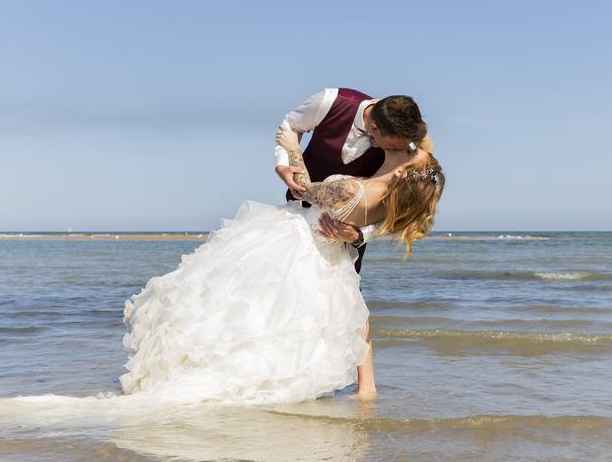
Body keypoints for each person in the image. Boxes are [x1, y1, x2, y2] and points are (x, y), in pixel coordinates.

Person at [120, 129, 444, 405]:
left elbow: (304, 189)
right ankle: (327, 387)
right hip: (334, 259)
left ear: (403, 172)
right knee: (301, 320)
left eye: (411, 156)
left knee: (247, 305)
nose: (410, 150)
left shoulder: (355, 190)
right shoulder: (391, 202)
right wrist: (360, 233)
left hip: (299, 241)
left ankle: (232, 371)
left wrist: (290, 146)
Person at [273, 88, 434, 396]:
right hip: (303, 214)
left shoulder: (407, 157)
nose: (401, 148)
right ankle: (311, 375)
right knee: (302, 293)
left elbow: (402, 213)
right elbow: (290, 124)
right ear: (375, 129)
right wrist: (284, 164)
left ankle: (365, 386)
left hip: (349, 220)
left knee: (348, 297)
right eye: (396, 144)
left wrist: (359, 235)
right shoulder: (330, 102)